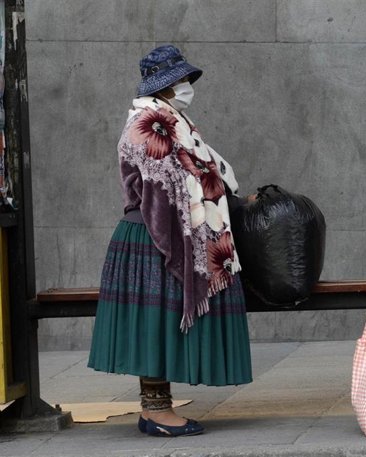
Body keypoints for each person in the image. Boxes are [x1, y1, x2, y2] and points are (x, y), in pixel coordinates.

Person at [88, 45, 254, 437]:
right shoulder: (149, 125)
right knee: (158, 322)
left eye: (183, 79)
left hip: (168, 232)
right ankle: (156, 412)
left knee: (160, 321)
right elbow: (168, 189)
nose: (185, 86)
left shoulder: (175, 121)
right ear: (162, 87)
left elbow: (198, 174)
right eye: (178, 80)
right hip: (159, 234)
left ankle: (155, 410)